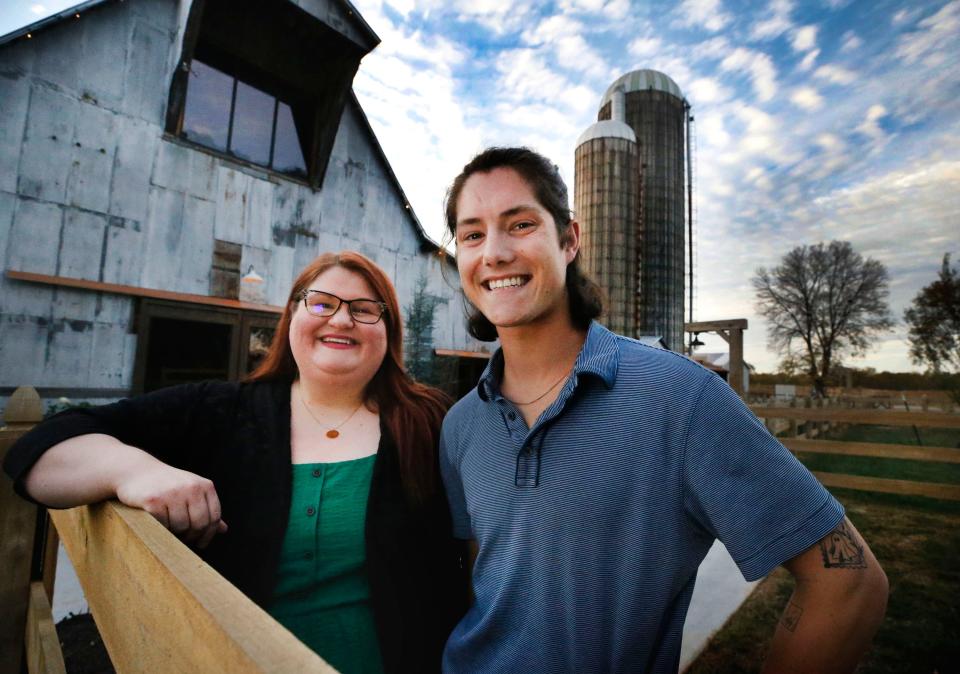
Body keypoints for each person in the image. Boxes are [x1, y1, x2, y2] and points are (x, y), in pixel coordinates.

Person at [438, 147, 888, 673]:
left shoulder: (680, 398)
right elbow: (485, 585)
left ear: (569, 240)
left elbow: (850, 582)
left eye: (519, 224)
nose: (493, 252)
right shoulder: (461, 426)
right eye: (472, 234)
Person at [3, 251, 466, 674]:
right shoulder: (220, 410)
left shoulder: (433, 421)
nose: (342, 319)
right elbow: (39, 452)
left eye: (365, 309)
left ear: (389, 331)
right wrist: (135, 471)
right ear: (292, 316)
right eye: (323, 303)